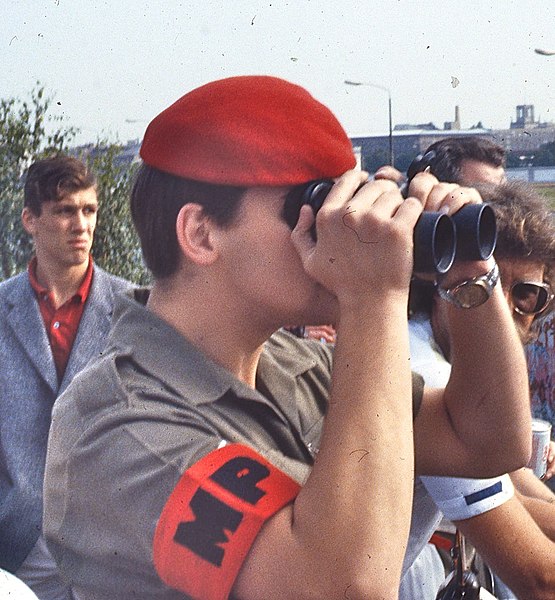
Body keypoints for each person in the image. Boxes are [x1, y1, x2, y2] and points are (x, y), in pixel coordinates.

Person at [43, 76, 530, 600]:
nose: (341, 224)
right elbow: (343, 590)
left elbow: (488, 439)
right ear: (201, 234)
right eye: (311, 207)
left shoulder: (290, 366)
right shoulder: (120, 427)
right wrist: (373, 297)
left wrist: (471, 271)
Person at [397, 144, 555, 599]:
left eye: (526, 295)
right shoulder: (427, 371)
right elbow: (538, 578)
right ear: (441, 283)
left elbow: (517, 484)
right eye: (483, 283)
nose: (501, 312)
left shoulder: (438, 352)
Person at [0, 156, 133, 600]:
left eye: (89, 210)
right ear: (29, 220)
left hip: (115, 548)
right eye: (64, 210)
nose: (81, 224)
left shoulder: (136, 310)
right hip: (18, 547)